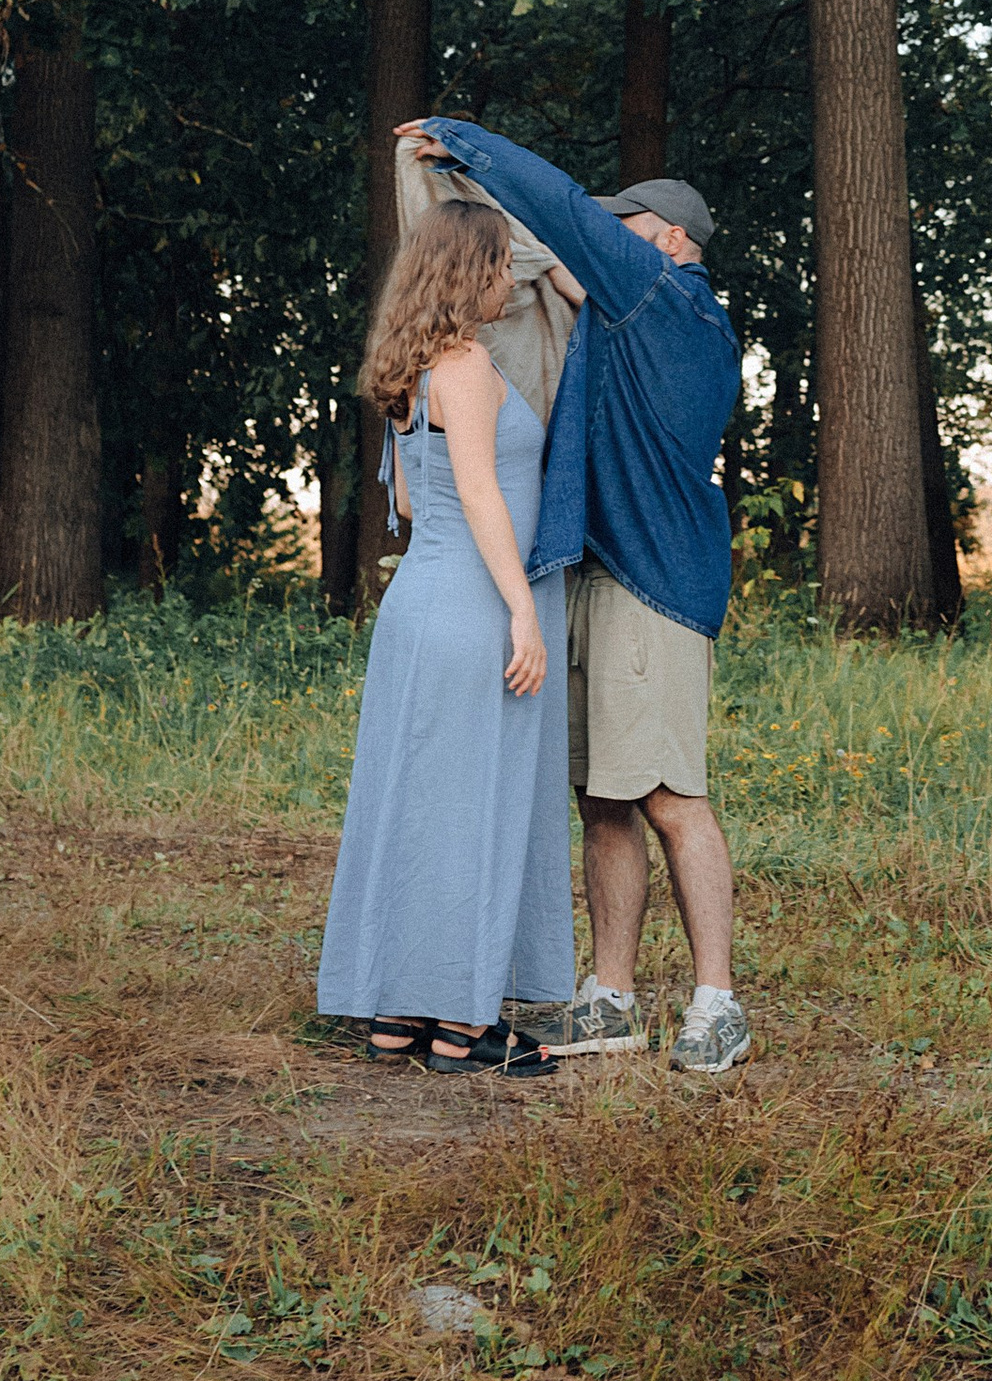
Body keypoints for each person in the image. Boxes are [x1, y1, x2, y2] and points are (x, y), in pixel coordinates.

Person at [397, 117, 749, 1076]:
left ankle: (717, 1004)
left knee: (670, 796)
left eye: (619, 230)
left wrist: (467, 144)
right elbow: (561, 265)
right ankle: (611, 999)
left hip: (651, 583)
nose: (600, 246)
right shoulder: (622, 312)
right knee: (602, 801)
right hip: (589, 568)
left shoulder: (673, 302)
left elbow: (559, 216)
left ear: (668, 238)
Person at [317, 198, 580, 1076]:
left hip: (421, 603)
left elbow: (406, 498)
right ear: (470, 273)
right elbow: (476, 492)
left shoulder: (412, 365)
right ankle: (463, 1028)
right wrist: (522, 610)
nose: (511, 278)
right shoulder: (464, 364)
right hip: (471, 605)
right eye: (501, 264)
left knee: (424, 807)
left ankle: (399, 1016)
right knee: (472, 812)